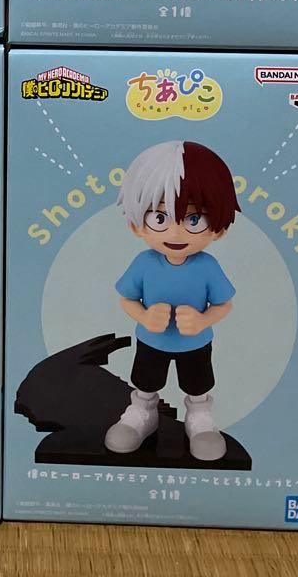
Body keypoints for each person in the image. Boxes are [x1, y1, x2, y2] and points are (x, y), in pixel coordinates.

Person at [105, 140, 238, 460]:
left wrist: (203, 320)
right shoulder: (144, 263)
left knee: (198, 382)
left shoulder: (208, 267)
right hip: (151, 341)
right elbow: (126, 298)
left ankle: (200, 417)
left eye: (194, 219)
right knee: (145, 379)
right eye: (160, 218)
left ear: (218, 228)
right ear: (137, 224)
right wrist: (144, 317)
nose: (176, 233)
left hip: (196, 343)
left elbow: (224, 304)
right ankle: (143, 411)